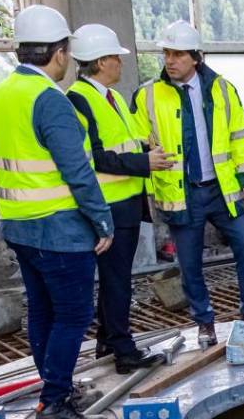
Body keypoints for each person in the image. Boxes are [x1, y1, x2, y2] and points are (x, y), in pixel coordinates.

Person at [0, 4, 113, 419]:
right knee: (73, 316)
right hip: (59, 230)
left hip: (18, 226)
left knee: (42, 312)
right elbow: (78, 172)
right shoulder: (49, 100)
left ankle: (57, 392)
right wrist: (102, 220)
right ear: (59, 53)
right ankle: (54, 406)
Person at [135, 20, 244, 347]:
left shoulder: (222, 89)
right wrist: (146, 167)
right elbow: (137, 142)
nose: (170, 60)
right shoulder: (147, 94)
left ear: (196, 57)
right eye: (167, 53)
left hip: (222, 189)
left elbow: (240, 136)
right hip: (181, 193)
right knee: (190, 263)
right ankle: (205, 321)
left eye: (178, 54)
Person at [65, 23, 172, 372]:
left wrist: (145, 149)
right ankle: (124, 352)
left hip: (125, 203)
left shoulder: (108, 98)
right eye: (116, 57)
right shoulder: (79, 100)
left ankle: (107, 343)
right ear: (100, 61)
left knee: (117, 279)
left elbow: (121, 143)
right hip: (108, 206)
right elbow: (94, 157)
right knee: (116, 282)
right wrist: (144, 162)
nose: (120, 63)